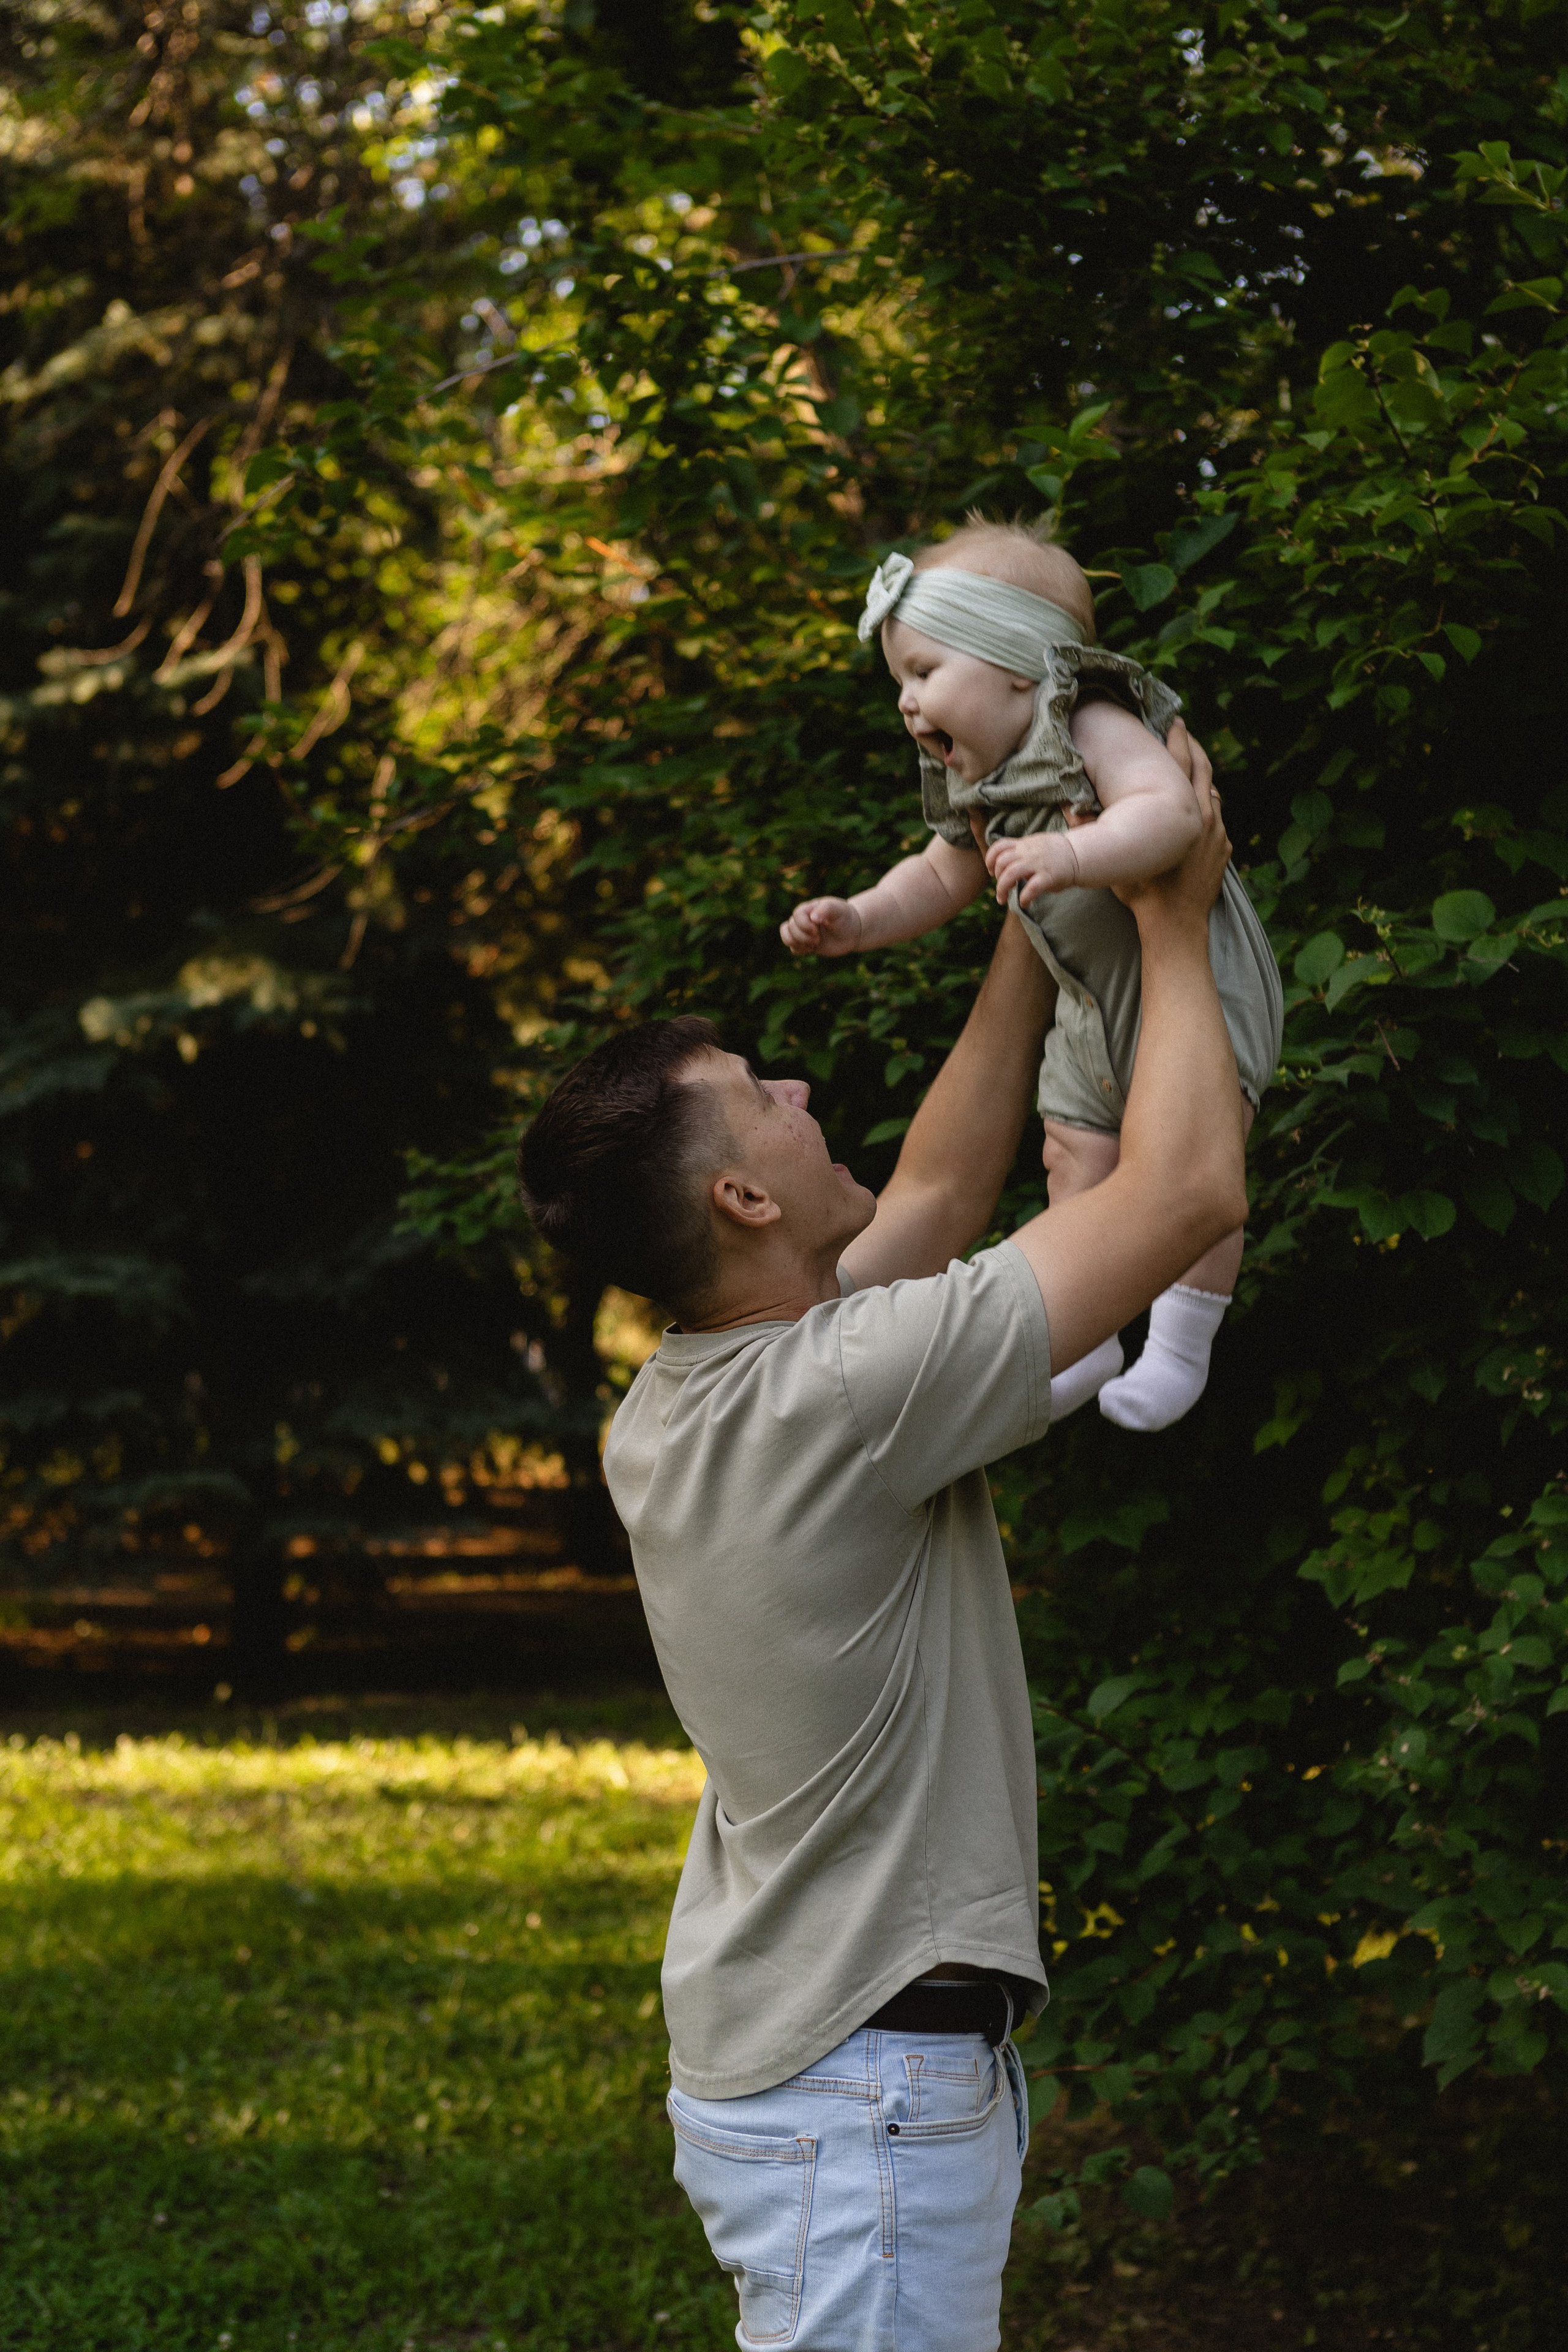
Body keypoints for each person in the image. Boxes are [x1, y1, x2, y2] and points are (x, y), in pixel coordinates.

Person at [516, 754, 1246, 2352]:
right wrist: (1175, 912)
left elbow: (935, 1184)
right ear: (739, 1199)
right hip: (861, 2089)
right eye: (762, 1097)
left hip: (799, 2062)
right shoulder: (845, 1388)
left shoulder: (694, 1397)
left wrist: (1029, 914)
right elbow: (1189, 1190)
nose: (798, 1095)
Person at [781, 518, 1283, 1432]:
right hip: (1091, 1003)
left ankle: (1179, 1340)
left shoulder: (1092, 720)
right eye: (900, 682)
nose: (906, 703)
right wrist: (860, 919)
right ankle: (1084, 1335)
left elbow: (1171, 814)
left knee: (1198, 1164)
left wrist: (1077, 854)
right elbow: (940, 875)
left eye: (925, 673)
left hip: (1201, 985)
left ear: (1019, 665)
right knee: (1073, 1156)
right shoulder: (982, 783)